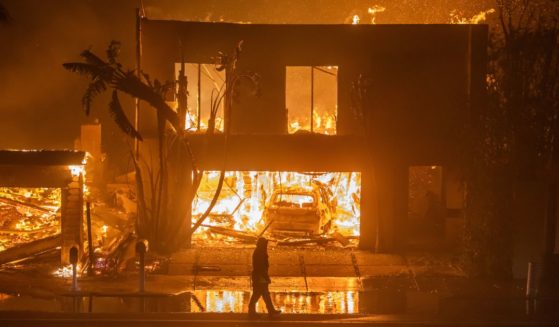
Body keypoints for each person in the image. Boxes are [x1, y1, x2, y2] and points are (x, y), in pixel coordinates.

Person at [248, 237, 281, 318]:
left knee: (262, 294)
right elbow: (261, 267)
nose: (266, 245)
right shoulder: (260, 252)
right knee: (260, 294)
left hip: (259, 276)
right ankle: (268, 311)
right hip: (260, 277)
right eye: (265, 244)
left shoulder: (260, 251)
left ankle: (269, 310)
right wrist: (266, 277)